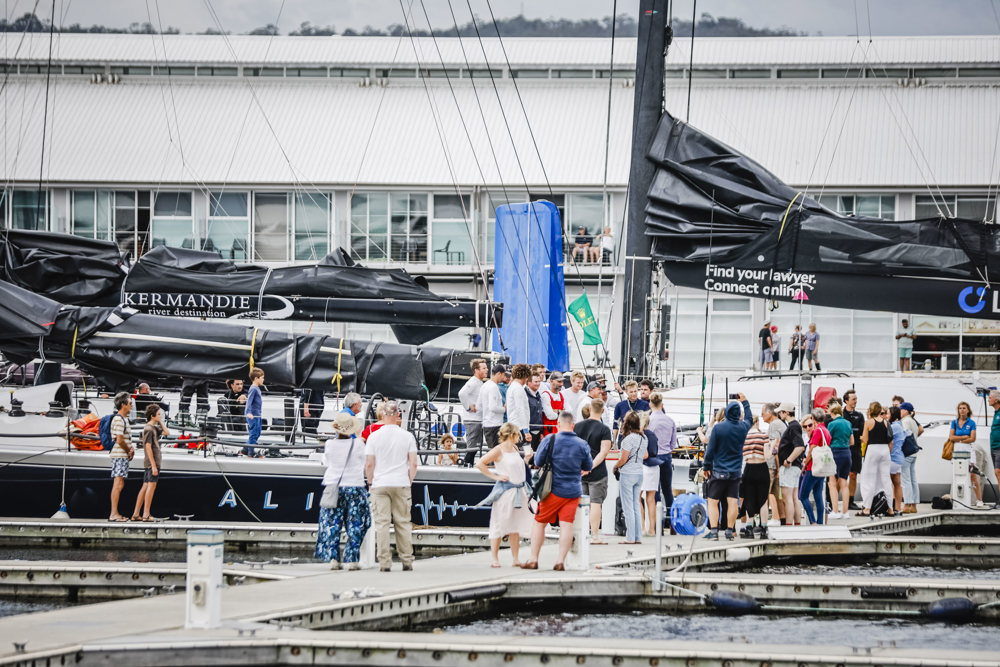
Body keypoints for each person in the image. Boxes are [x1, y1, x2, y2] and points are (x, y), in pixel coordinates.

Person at [521, 411, 593, 571]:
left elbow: (538, 461)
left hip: (552, 490)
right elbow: (588, 466)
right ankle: (560, 561)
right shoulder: (582, 444)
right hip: (573, 491)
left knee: (539, 523)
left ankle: (533, 559)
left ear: (558, 424)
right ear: (572, 425)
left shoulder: (550, 439)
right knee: (566, 525)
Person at [365, 401, 418, 572]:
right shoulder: (407, 436)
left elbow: (369, 464)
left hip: (380, 483)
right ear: (397, 415)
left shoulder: (374, 437)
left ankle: (384, 562)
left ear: (382, 415)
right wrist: (408, 480)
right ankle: (407, 560)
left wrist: (370, 482)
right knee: (402, 523)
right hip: (401, 482)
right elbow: (413, 464)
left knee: (382, 523)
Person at [315, 412, 370, 570]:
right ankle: (352, 559)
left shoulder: (330, 444)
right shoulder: (358, 444)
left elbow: (326, 461)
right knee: (356, 523)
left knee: (331, 524)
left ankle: (333, 558)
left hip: (334, 486)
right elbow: (364, 462)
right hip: (354, 485)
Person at [475, 422, 534, 567]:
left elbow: (520, 468)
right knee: (499, 523)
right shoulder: (498, 450)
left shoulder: (514, 448)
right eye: (517, 435)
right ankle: (494, 558)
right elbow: (480, 463)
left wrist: (526, 459)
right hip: (505, 492)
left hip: (519, 490)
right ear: (512, 435)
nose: (519, 438)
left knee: (515, 526)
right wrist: (496, 476)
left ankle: (515, 558)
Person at [703, 394, 753, 540]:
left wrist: (706, 466)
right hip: (736, 471)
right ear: (738, 414)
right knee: (732, 501)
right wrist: (745, 401)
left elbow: (710, 451)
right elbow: (750, 418)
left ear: (726, 413)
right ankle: (730, 531)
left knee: (713, 501)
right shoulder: (743, 427)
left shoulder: (718, 428)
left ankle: (713, 532)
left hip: (719, 470)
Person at [574, 398, 612, 545]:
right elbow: (603, 452)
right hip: (597, 471)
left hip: (579, 469)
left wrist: (581, 467)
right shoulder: (604, 429)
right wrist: (590, 466)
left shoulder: (577, 427)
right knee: (595, 503)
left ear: (589, 409)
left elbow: (574, 448)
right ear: (602, 411)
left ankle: (582, 533)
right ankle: (595, 535)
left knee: (580, 503)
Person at [612, 411, 647, 544]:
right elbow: (645, 455)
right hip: (639, 472)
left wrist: (615, 466)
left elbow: (623, 459)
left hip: (628, 474)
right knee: (636, 505)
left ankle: (630, 537)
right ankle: (637, 537)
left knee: (628, 507)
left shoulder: (627, 439)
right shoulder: (644, 438)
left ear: (627, 424)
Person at [131, 403, 169, 521]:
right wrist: (153, 466)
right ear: (152, 416)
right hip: (152, 463)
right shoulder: (148, 429)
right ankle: (146, 514)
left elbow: (167, 432)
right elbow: (147, 446)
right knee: (150, 487)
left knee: (145, 486)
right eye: (158, 414)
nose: (160, 416)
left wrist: (160, 422)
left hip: (151, 462)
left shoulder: (153, 428)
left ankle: (136, 514)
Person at [647, 392, 677, 532]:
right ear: (662, 404)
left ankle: (658, 525)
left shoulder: (649, 420)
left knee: (655, 491)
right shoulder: (670, 421)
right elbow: (673, 444)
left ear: (650, 404)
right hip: (666, 456)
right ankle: (672, 524)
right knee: (668, 490)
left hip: (654, 457)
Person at [859, 401, 894, 517]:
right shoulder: (885, 422)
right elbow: (889, 438)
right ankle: (890, 508)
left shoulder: (868, 422)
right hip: (884, 450)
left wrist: (860, 437)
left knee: (868, 479)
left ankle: (867, 508)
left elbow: (865, 439)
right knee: (886, 479)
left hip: (873, 450)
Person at [738, 417, 771, 537]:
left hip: (749, 469)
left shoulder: (744, 437)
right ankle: (763, 529)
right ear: (757, 423)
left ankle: (749, 528)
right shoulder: (763, 436)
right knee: (763, 501)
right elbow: (767, 456)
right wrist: (771, 446)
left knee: (749, 498)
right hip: (762, 468)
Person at [799, 409, 831, 525]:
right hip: (822, 468)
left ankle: (813, 521)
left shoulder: (817, 431)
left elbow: (812, 450)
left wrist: (805, 465)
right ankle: (820, 522)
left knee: (802, 496)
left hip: (813, 467)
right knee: (818, 496)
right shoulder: (826, 431)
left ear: (813, 418)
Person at [776, 402, 805, 526]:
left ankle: (788, 525)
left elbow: (800, 447)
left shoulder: (792, 427)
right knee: (794, 498)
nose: (779, 414)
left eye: (780, 412)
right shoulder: (795, 426)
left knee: (787, 498)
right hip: (796, 467)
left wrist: (788, 460)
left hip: (790, 467)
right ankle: (797, 524)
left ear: (786, 412)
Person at [108, 391, 135, 522]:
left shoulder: (123, 419)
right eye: (130, 403)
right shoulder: (119, 419)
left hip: (122, 455)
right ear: (123, 404)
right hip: (120, 455)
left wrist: (130, 448)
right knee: (118, 484)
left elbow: (124, 438)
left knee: (120, 483)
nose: (131, 405)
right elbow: (119, 439)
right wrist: (128, 450)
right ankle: (113, 514)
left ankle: (115, 513)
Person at [948, 401, 980, 506]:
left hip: (968, 450)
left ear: (968, 410)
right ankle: (958, 499)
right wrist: (963, 438)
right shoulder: (955, 422)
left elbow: (972, 438)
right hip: (957, 450)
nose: (962, 410)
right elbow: (951, 437)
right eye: (960, 408)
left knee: (973, 476)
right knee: (957, 474)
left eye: (964, 408)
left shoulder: (971, 423)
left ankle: (979, 500)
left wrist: (960, 439)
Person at [825, 402, 853, 519]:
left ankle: (835, 511)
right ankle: (845, 512)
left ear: (832, 413)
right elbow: (852, 442)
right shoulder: (848, 423)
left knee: (832, 483)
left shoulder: (832, 424)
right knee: (843, 483)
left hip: (835, 453)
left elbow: (827, 440)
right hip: (847, 453)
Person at [760, 402, 786, 526]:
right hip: (778, 464)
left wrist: (778, 466)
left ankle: (765, 521)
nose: (761, 416)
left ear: (770, 413)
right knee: (777, 494)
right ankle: (781, 518)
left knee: (766, 492)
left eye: (763, 414)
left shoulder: (774, 425)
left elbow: (776, 447)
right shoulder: (781, 424)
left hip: (772, 465)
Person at [459, 359, 487, 467]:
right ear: (476, 370)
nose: (487, 370)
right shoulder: (473, 382)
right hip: (473, 419)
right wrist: (468, 406)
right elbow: (462, 393)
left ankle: (469, 464)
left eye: (486, 367)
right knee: (473, 445)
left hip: (478, 419)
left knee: (476, 445)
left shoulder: (479, 382)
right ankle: (466, 464)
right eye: (484, 368)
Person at [638, 412, 660, 537]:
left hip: (643, 466)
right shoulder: (653, 435)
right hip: (654, 466)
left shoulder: (640, 435)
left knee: (637, 497)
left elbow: (644, 454)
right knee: (651, 499)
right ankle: (652, 529)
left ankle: (642, 527)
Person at [843, 389, 865, 510]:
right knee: (841, 475)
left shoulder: (860, 416)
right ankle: (835, 498)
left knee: (853, 475)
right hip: (843, 448)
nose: (856, 401)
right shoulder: (841, 414)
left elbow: (861, 432)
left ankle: (851, 500)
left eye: (856, 399)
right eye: (853, 399)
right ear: (846, 401)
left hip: (856, 448)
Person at [899, 401, 922, 513]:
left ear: (906, 411)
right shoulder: (913, 421)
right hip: (913, 454)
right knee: (913, 479)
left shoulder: (905, 421)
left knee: (905, 480)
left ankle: (907, 504)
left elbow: (904, 436)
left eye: (901, 409)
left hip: (906, 453)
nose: (899, 411)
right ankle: (914, 505)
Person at [480, 364, 507, 450]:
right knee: (495, 452)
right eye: (503, 375)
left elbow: (480, 404)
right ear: (499, 373)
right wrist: (504, 409)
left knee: (492, 451)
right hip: (494, 424)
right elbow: (493, 407)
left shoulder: (485, 385)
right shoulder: (493, 387)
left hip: (488, 423)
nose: (504, 377)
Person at [243, 367, 265, 457]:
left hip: (258, 414)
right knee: (254, 433)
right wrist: (248, 412)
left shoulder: (257, 388)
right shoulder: (253, 389)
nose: (263, 380)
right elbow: (249, 401)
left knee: (258, 432)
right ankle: (250, 453)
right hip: (253, 415)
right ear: (256, 378)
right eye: (262, 378)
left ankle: (245, 449)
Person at [887, 406, 905, 513]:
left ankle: (890, 508)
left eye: (888, 413)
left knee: (887, 482)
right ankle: (898, 508)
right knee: (897, 483)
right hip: (899, 457)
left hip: (892, 457)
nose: (887, 416)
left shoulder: (893, 427)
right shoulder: (900, 425)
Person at [540, 371, 565, 438]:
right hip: (549, 430)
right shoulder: (546, 395)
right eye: (559, 382)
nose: (561, 384)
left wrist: (557, 411)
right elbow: (550, 416)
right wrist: (560, 412)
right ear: (551, 381)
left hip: (560, 429)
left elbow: (566, 413)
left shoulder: (561, 395)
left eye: (562, 382)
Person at [525, 372, 544, 450]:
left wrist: (541, 431)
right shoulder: (525, 395)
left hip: (538, 432)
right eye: (536, 382)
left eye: (539, 381)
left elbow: (540, 414)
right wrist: (526, 431)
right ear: (528, 382)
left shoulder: (538, 395)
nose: (538, 384)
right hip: (528, 432)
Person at [990, 389, 1000, 489]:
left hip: (999, 447)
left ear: (996, 400)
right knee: (997, 474)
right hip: (993, 447)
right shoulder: (996, 413)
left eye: (990, 398)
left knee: (998, 472)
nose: (988, 400)